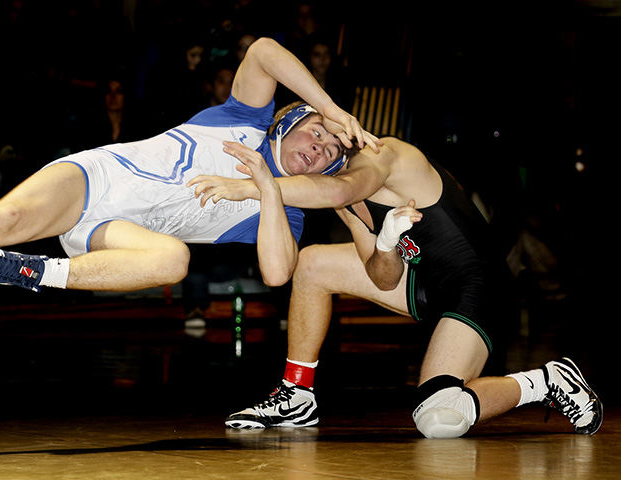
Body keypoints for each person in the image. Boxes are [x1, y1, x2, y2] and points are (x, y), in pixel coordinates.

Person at [0, 37, 381, 322]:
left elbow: (277, 274)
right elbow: (264, 50)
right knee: (7, 218)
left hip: (118, 233)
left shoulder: (282, 210)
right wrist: (331, 108)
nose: (321, 148)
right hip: (97, 179)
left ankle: (34, 272)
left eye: (332, 151)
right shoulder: (245, 118)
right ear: (291, 120)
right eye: (318, 133)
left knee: (173, 260)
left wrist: (266, 186)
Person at [189, 134, 602, 437]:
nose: (320, 148)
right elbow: (381, 275)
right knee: (313, 263)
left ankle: (547, 381)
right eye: (309, 140)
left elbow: (340, 186)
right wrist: (386, 242)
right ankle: (297, 394)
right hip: (426, 285)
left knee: (438, 416)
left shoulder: (381, 154)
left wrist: (256, 187)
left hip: (481, 288)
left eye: (325, 136)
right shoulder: (344, 199)